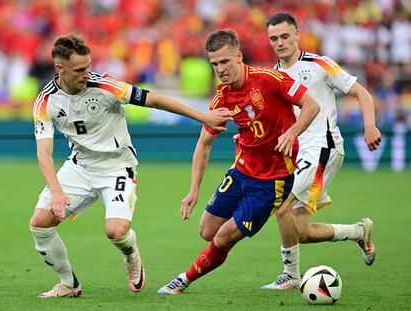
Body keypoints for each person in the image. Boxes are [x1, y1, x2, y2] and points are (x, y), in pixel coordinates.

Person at [29, 33, 234, 299]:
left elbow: (155, 99)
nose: (86, 73)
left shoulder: (106, 86)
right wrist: (57, 191)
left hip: (117, 167)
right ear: (60, 68)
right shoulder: (45, 101)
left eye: (89, 66)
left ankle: (131, 252)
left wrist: (202, 116)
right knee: (40, 223)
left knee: (115, 231)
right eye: (80, 69)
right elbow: (44, 154)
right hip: (79, 167)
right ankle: (69, 284)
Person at [157, 29, 320, 295]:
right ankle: (231, 239)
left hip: (272, 180)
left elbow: (311, 106)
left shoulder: (270, 79)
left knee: (223, 238)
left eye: (225, 62)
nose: (220, 69)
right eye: (214, 64)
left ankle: (182, 280)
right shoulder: (222, 97)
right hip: (242, 171)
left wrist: (291, 133)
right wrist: (193, 190)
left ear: (239, 56)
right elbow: (204, 144)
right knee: (207, 230)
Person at [259, 13, 382, 290]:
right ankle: (358, 232)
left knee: (281, 205)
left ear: (297, 34)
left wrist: (370, 126)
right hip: (296, 154)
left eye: (285, 36)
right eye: (274, 39)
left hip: (323, 148)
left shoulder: (320, 64)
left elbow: (362, 93)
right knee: (299, 232)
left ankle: (290, 275)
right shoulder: (271, 75)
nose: (280, 43)